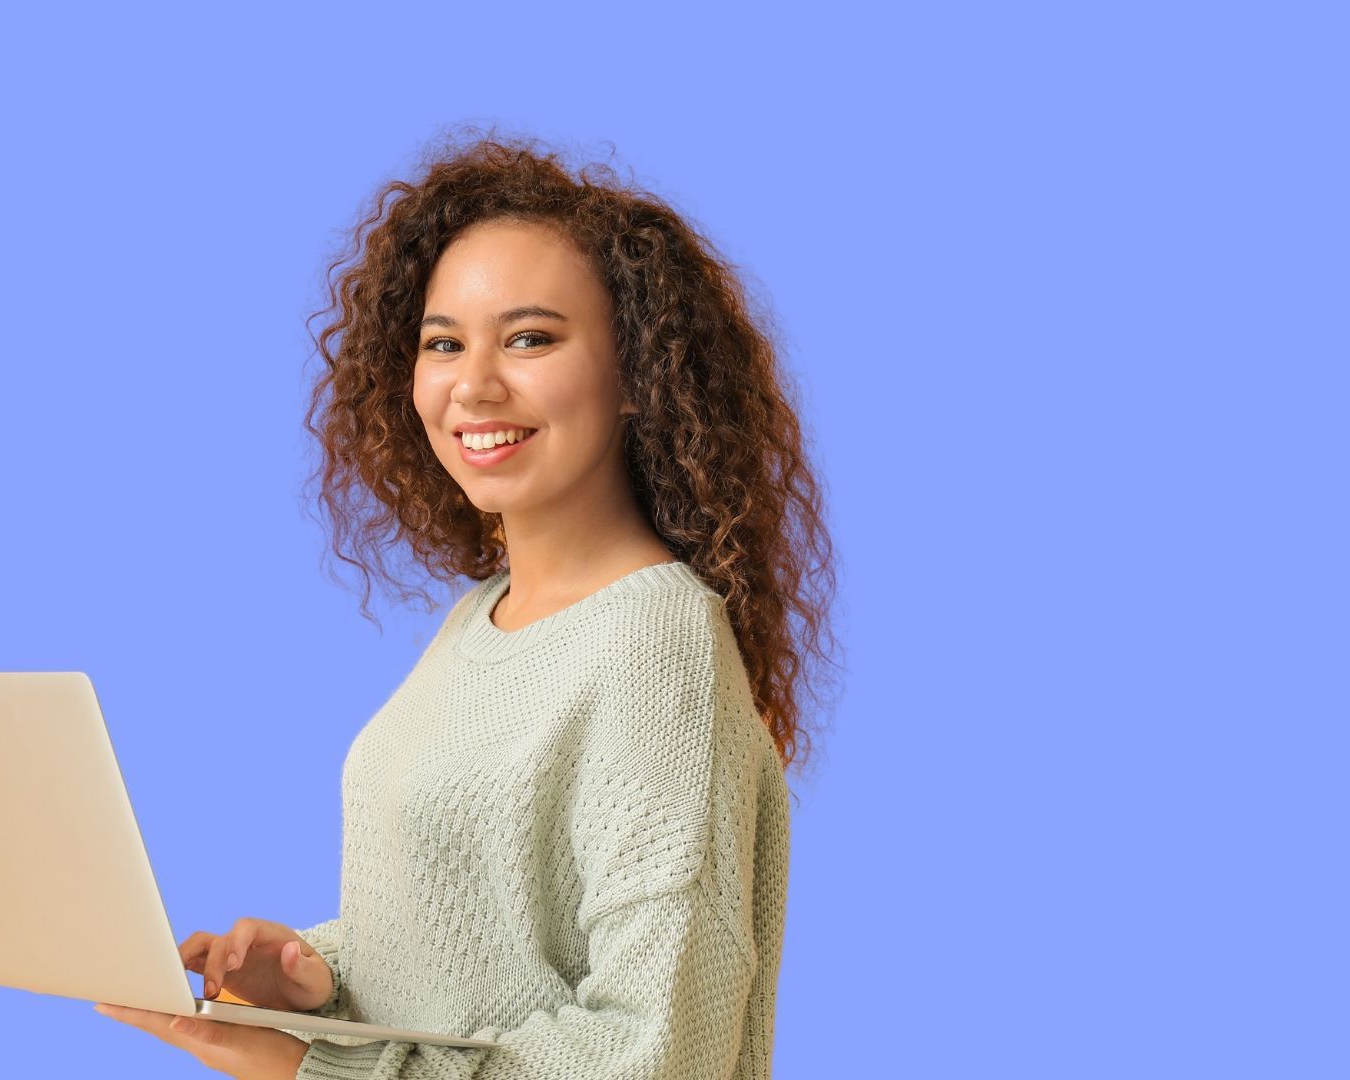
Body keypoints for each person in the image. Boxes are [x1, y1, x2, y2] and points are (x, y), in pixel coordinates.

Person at [97, 128, 839, 1079]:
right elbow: (487, 950)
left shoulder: (657, 645)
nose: (473, 385)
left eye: (530, 338)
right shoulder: (479, 621)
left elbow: (654, 1050)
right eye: (443, 343)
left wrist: (310, 1068)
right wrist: (314, 976)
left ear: (638, 378)